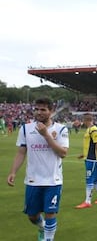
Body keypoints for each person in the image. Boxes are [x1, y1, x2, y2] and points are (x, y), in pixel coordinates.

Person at [6, 97, 69, 241]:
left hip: (53, 180)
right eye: (37, 109)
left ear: (51, 111)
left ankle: (48, 238)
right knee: (32, 216)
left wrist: (46, 135)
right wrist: (13, 172)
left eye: (43, 109)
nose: (39, 112)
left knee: (50, 213)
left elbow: (63, 153)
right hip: (33, 179)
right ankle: (42, 226)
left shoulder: (60, 129)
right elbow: (21, 152)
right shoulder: (26, 129)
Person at [75, 113, 97, 209]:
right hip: (89, 157)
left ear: (86, 120)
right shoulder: (89, 130)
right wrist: (83, 154)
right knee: (95, 179)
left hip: (92, 159)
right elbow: (89, 144)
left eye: (83, 120)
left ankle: (87, 201)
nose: (83, 122)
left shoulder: (93, 130)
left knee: (89, 179)